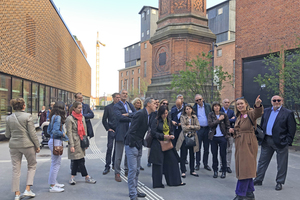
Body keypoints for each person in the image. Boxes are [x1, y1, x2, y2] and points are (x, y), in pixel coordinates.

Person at [254, 95, 296, 191]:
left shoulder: (288, 113)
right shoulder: (267, 111)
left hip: (281, 141)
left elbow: (292, 129)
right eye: (274, 100)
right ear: (271, 101)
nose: (276, 102)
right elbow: (262, 124)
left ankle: (279, 182)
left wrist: (288, 141)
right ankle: (258, 179)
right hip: (267, 140)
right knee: (262, 161)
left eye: (278, 100)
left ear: (282, 101)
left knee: (281, 163)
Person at [5, 98, 40, 200]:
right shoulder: (27, 116)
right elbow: (32, 133)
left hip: (14, 146)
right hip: (27, 145)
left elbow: (7, 134)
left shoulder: (8, 118)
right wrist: (37, 145)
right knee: (32, 165)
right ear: (23, 106)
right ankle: (27, 189)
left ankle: (17, 194)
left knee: (16, 169)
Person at [231, 96, 263, 200]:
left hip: (248, 142)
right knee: (245, 168)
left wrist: (257, 105)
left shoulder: (250, 113)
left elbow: (257, 113)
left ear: (246, 104)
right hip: (240, 143)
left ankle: (240, 194)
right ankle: (249, 193)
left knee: (245, 168)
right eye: (238, 104)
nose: (239, 106)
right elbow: (239, 129)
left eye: (241, 103)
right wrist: (233, 131)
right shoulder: (239, 115)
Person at [124, 97, 156, 200]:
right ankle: (133, 195)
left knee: (137, 170)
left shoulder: (148, 115)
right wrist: (135, 144)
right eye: (154, 103)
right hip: (132, 144)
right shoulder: (140, 114)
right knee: (133, 170)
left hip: (138, 144)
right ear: (148, 104)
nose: (156, 105)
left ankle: (135, 190)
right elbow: (132, 130)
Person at [149, 105, 186, 189]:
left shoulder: (168, 121)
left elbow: (171, 130)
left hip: (168, 143)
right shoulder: (156, 121)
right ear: (160, 113)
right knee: (158, 163)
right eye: (163, 113)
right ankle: (157, 183)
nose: (165, 115)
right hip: (158, 144)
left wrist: (171, 135)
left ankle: (175, 181)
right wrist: (164, 136)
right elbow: (153, 133)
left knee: (173, 161)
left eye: (166, 113)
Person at [66, 102, 96, 185]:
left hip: (81, 141)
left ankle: (72, 177)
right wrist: (71, 145)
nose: (80, 109)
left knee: (77, 160)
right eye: (79, 108)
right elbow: (69, 133)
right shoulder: (70, 119)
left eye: (81, 108)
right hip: (75, 142)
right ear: (74, 108)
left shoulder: (82, 117)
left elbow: (84, 130)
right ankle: (87, 176)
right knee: (80, 160)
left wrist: (85, 142)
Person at [114, 89, 136, 182]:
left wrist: (127, 114)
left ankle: (127, 170)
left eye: (126, 94)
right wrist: (129, 117)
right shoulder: (116, 106)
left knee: (128, 154)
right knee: (118, 154)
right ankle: (117, 172)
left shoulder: (130, 105)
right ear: (120, 94)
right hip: (121, 132)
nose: (125, 95)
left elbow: (135, 114)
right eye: (123, 93)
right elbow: (119, 117)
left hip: (129, 132)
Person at [47, 101, 69, 193]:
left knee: (55, 163)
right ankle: (52, 185)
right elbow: (56, 131)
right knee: (56, 164)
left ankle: (54, 182)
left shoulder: (53, 116)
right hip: (56, 141)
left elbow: (49, 131)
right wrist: (63, 134)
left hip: (53, 141)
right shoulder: (59, 117)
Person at [176, 104, 200, 178]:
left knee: (192, 155)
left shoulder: (194, 117)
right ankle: (183, 171)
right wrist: (192, 127)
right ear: (185, 110)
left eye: (189, 108)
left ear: (192, 109)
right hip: (184, 137)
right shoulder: (182, 117)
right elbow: (183, 128)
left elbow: (198, 127)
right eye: (186, 109)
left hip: (193, 137)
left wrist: (190, 126)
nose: (188, 110)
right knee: (183, 154)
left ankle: (192, 170)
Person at [208, 102, 231, 179]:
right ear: (213, 107)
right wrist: (218, 120)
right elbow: (210, 125)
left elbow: (228, 125)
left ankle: (223, 171)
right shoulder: (210, 115)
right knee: (214, 154)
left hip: (222, 137)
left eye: (218, 106)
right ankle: (215, 170)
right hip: (214, 137)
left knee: (223, 154)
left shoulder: (224, 115)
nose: (217, 107)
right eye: (215, 106)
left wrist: (227, 135)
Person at [102, 93, 120, 175]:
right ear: (113, 98)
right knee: (109, 148)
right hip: (111, 130)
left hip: (119, 130)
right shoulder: (108, 107)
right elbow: (104, 120)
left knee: (117, 149)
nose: (118, 99)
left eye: (119, 97)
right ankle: (107, 166)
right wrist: (108, 128)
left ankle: (114, 164)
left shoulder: (121, 107)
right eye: (117, 97)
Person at [193, 94, 212, 171]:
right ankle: (197, 163)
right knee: (198, 147)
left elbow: (210, 115)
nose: (198, 101)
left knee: (206, 148)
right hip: (199, 129)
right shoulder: (194, 108)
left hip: (207, 128)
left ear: (202, 99)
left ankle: (205, 163)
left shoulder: (207, 106)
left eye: (200, 99)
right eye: (197, 100)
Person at [220, 98, 236, 173]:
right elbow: (219, 120)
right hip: (221, 133)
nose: (227, 103)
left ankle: (228, 166)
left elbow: (235, 120)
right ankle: (222, 165)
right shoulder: (220, 111)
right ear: (222, 103)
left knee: (229, 150)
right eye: (225, 102)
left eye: (228, 102)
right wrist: (230, 119)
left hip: (230, 132)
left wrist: (226, 119)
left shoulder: (231, 112)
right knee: (222, 150)